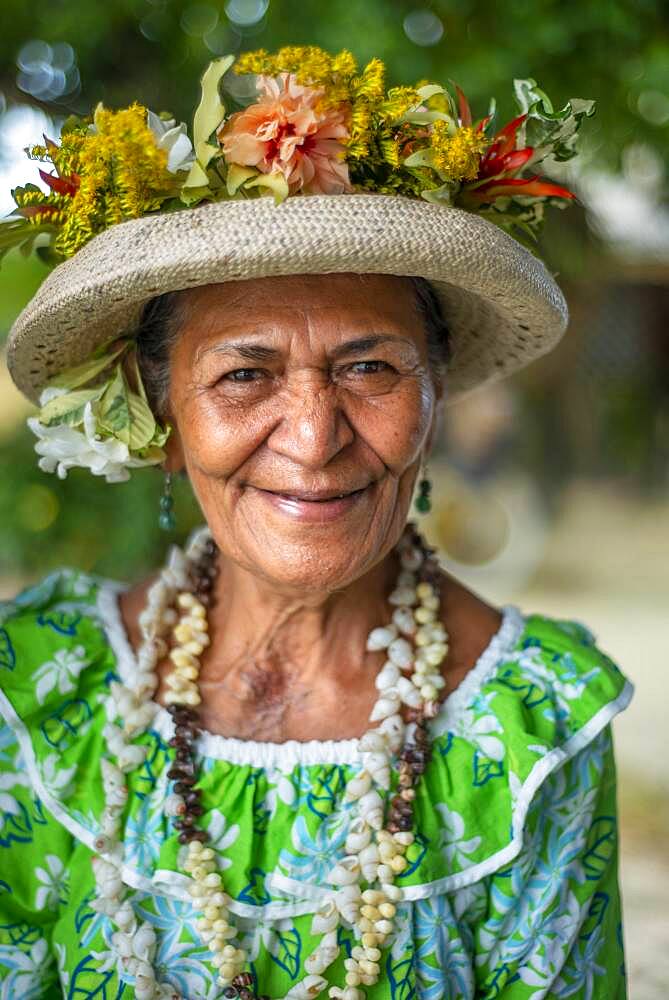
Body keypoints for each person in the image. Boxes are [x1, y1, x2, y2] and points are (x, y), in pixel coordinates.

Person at [0, 46, 632, 1000]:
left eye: (370, 368)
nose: (313, 437)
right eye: (243, 375)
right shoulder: (41, 691)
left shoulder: (531, 725)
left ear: (435, 400)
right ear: (162, 419)